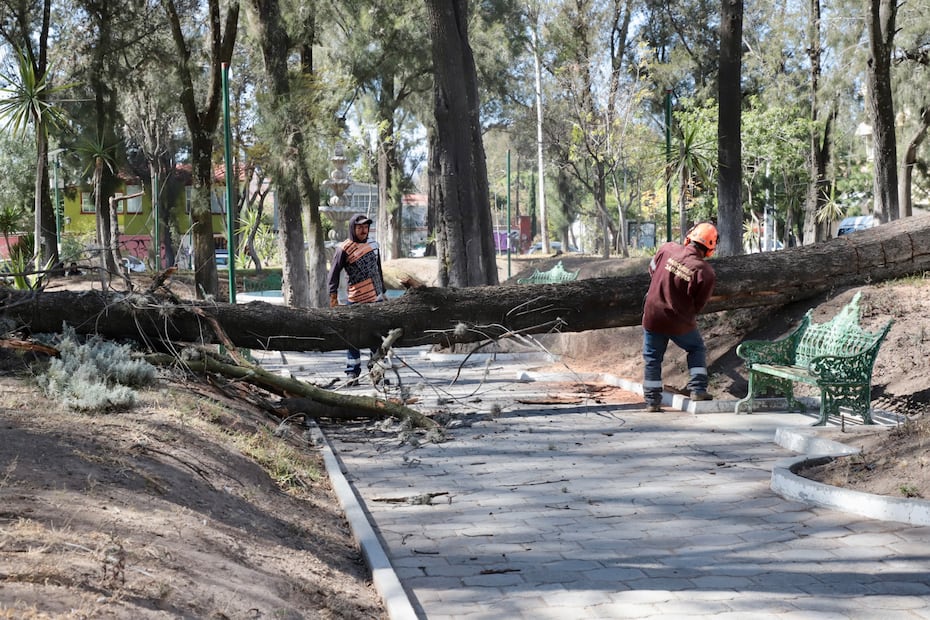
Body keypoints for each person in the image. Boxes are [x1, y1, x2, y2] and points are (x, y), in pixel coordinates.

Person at [641, 222, 718, 412]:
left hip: (653, 316)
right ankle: (698, 389)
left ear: (689, 237)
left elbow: (651, 270)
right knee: (696, 347)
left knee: (652, 358)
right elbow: (699, 304)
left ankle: (652, 402)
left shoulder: (667, 249)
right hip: (680, 322)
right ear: (710, 248)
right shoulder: (705, 272)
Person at [327, 213, 386, 383]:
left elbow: (378, 269)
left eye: (366, 227)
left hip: (376, 301)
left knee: (377, 337)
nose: (363, 230)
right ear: (353, 228)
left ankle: (377, 373)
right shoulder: (344, 248)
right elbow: (333, 274)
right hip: (355, 300)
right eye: (360, 227)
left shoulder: (374, 245)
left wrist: (382, 291)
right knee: (353, 338)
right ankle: (352, 373)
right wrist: (333, 297)